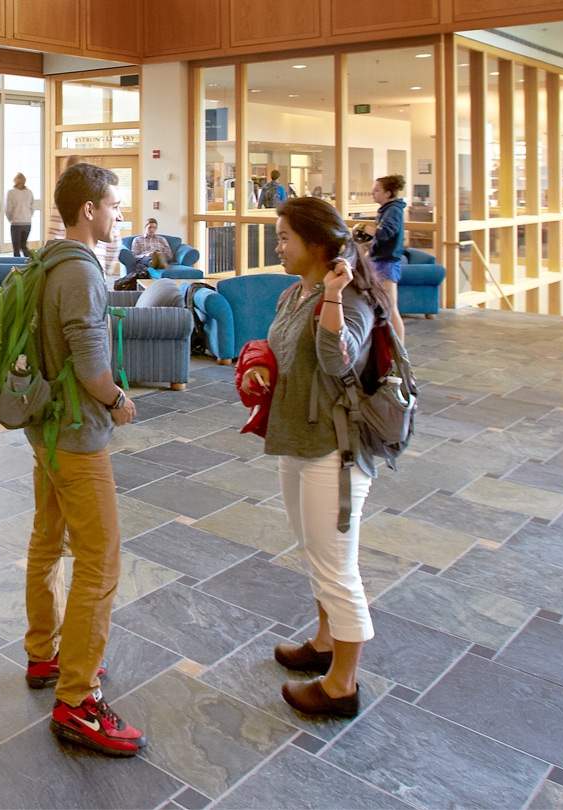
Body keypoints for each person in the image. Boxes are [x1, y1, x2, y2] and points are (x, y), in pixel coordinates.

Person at [238, 196, 389, 719]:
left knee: (337, 566)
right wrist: (261, 370)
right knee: (313, 552)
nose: (277, 246)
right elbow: (279, 350)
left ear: (319, 246)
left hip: (335, 450)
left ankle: (342, 685)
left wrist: (332, 296)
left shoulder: (353, 300)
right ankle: (325, 643)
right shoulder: (292, 294)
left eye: (284, 239)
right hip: (295, 440)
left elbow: (335, 360)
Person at [25, 162, 146, 758]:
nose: (119, 215)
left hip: (45, 426)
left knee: (48, 538)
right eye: (114, 206)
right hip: (76, 432)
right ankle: (78, 698)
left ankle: (44, 653)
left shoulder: (49, 259)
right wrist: (120, 401)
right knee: (100, 556)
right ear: (89, 209)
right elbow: (94, 368)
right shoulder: (82, 271)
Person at [359, 174, 407, 344]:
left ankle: (399, 351)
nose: (373, 192)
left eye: (377, 190)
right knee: (381, 305)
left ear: (387, 193)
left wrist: (365, 228)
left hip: (386, 263)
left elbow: (386, 233)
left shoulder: (393, 210)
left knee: (390, 306)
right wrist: (368, 246)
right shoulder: (387, 210)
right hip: (380, 260)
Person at [6, 173, 35, 257]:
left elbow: (9, 208)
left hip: (16, 223)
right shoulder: (29, 192)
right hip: (27, 223)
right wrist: (28, 217)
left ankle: (17, 265)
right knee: (23, 245)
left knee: (16, 248)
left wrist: (10, 219)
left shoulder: (11, 192)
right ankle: (29, 262)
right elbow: (32, 208)